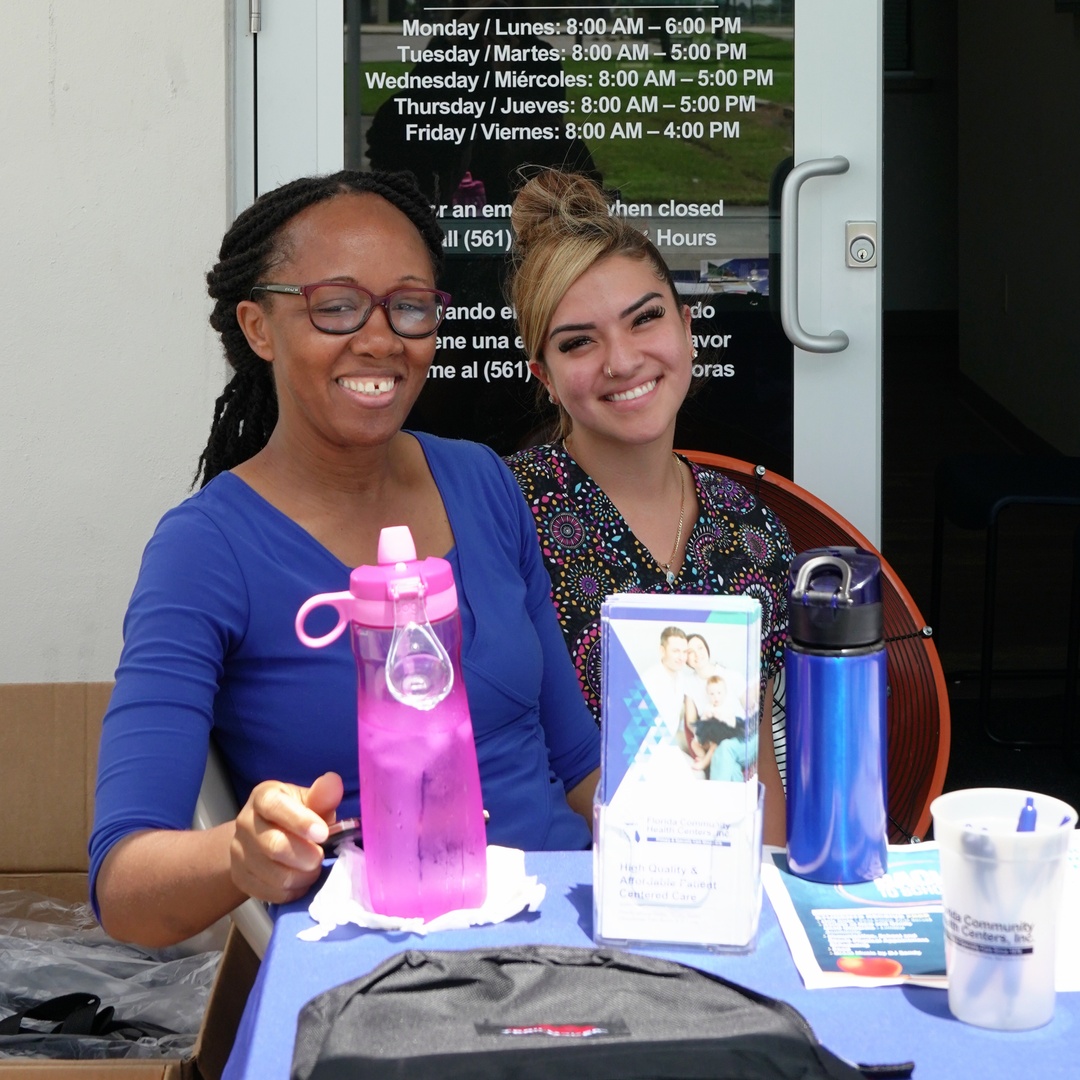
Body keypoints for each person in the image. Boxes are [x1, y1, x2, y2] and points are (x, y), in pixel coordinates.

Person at [89, 170, 601, 948]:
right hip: (390, 970)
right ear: (259, 327)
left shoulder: (480, 481)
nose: (381, 337)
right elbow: (124, 888)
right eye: (335, 306)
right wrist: (243, 855)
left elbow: (580, 765)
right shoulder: (207, 550)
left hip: (573, 928)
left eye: (409, 305)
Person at [502, 169, 792, 844]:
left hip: (722, 885)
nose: (622, 360)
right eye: (578, 342)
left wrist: (764, 901)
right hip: (560, 889)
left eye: (646, 319)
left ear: (688, 330)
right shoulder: (504, 515)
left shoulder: (750, 531)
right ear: (543, 375)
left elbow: (753, 773)